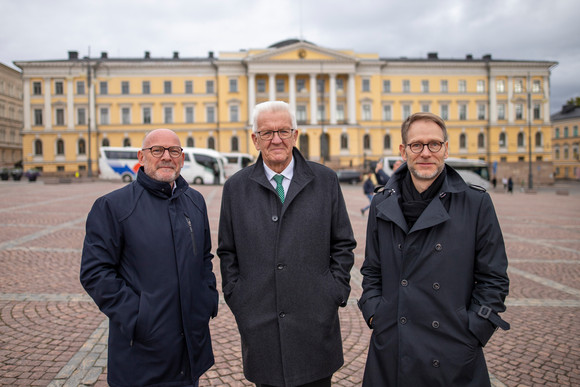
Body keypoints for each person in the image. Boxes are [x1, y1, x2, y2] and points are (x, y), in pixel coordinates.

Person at [358, 112, 510, 386]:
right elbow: (372, 270)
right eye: (417, 145)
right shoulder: (382, 203)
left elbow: (494, 277)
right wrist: (374, 313)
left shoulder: (476, 203)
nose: (426, 153)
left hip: (452, 349)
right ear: (403, 151)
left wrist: (475, 329)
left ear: (446, 149)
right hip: (393, 347)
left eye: (434, 144)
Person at [218, 101, 356, 387]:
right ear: (255, 139)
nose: (276, 139)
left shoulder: (325, 180)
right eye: (267, 133)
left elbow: (343, 243)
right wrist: (238, 296)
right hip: (261, 326)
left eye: (283, 131)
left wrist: (333, 291)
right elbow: (227, 251)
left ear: (296, 135)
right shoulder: (236, 187)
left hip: (315, 325)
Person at [80, 129, 219, 387]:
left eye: (173, 151)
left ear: (182, 157)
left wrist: (207, 299)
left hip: (190, 351)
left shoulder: (195, 201)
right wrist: (139, 318)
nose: (166, 156)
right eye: (157, 150)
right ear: (141, 157)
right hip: (140, 355)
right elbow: (95, 272)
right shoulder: (113, 206)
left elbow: (204, 258)